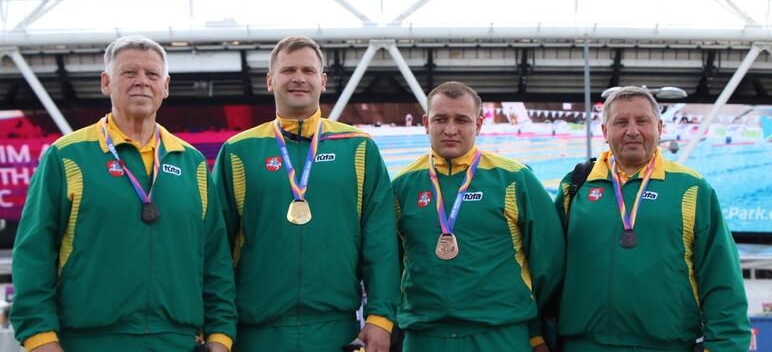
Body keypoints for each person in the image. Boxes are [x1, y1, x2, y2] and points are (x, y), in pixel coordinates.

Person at [11, 36, 236, 352]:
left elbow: (215, 261)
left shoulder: (192, 163)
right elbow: (33, 254)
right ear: (106, 82)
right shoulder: (66, 156)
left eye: (152, 74)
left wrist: (220, 338)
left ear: (166, 87)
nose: (142, 82)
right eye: (129, 73)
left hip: (177, 342)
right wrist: (40, 340)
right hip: (88, 342)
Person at [211, 36, 399, 352]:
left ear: (322, 81)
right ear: (270, 80)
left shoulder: (358, 148)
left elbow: (381, 243)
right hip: (256, 332)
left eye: (308, 71)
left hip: (336, 331)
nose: (299, 78)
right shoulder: (238, 152)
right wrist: (219, 332)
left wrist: (380, 318)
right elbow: (216, 250)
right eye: (288, 70)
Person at [554, 86, 750, 351]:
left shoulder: (691, 188)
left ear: (659, 127)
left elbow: (722, 278)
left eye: (642, 121)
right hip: (584, 344)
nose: (632, 131)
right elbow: (548, 270)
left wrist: (724, 346)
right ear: (604, 132)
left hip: (667, 345)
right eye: (620, 122)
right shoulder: (576, 186)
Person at [393, 81, 564, 352]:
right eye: (440, 119)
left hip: (499, 333)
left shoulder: (514, 179)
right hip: (424, 335)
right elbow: (390, 263)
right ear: (426, 123)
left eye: (462, 120)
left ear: (479, 124)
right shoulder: (403, 186)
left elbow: (549, 262)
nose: (450, 129)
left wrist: (531, 324)